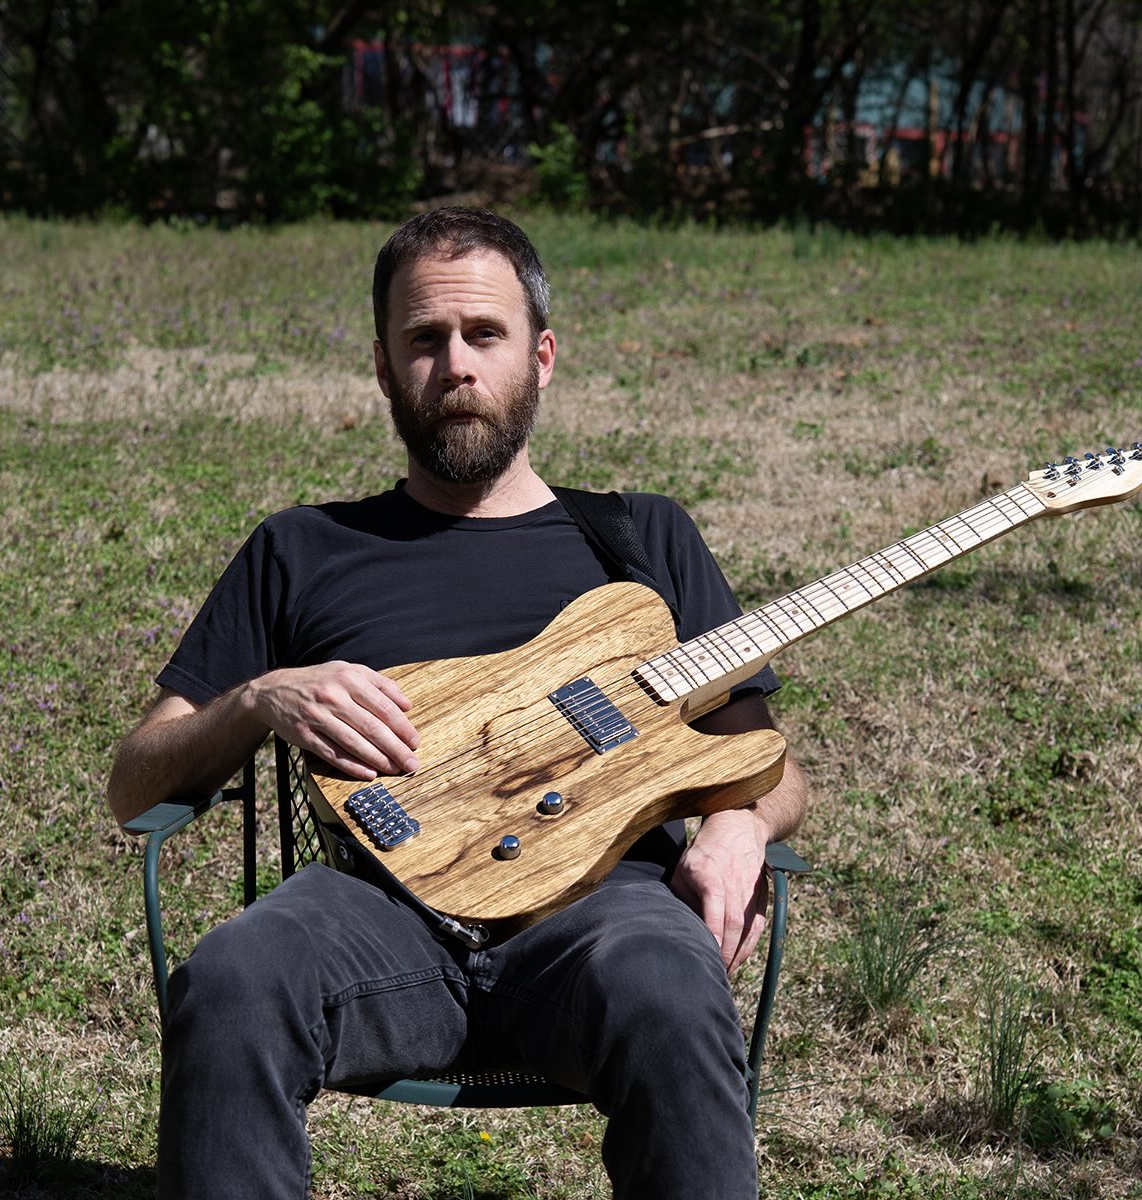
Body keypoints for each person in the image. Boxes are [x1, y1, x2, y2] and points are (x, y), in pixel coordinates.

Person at [107, 207, 809, 1200]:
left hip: (600, 915)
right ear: (386, 369)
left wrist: (738, 827)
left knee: (673, 983)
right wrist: (261, 699)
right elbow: (136, 783)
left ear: (544, 357)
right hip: (374, 913)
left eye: (485, 335)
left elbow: (766, 763)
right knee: (235, 976)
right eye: (424, 340)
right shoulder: (304, 547)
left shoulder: (641, 540)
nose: (457, 365)